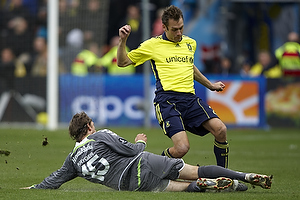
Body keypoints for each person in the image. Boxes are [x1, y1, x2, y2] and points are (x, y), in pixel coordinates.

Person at [21, 111, 272, 192]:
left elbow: (53, 181)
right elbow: (130, 150)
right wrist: (140, 142)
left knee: (185, 188)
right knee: (195, 171)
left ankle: (221, 186)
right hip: (143, 162)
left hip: (132, 184)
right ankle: (243, 177)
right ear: (89, 127)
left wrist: (31, 189)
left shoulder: (72, 161)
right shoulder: (100, 135)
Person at [117, 5, 229, 168]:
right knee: (182, 148)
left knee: (221, 130)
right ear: (164, 27)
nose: (179, 33)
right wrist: (123, 41)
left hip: (190, 99)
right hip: (167, 101)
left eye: (181, 28)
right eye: (174, 29)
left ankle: (223, 175)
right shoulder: (152, 45)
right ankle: (152, 168)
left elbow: (190, 67)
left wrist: (210, 85)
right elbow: (122, 62)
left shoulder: (190, 43)